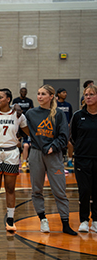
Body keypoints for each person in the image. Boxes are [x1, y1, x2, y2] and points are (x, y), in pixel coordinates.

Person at [25, 84, 77, 236]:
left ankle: (65, 223)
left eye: (43, 94)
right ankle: (42, 219)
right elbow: (22, 130)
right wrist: (16, 114)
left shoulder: (59, 114)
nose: (39, 96)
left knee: (59, 190)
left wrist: (53, 146)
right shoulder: (30, 113)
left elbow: (63, 135)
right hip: (35, 154)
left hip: (53, 155)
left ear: (51, 97)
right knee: (36, 189)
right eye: (38, 93)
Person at [0, 88, 29, 232]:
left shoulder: (18, 115)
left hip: (11, 153)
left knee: (10, 188)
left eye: (0, 97)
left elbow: (28, 132)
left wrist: (20, 139)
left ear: (9, 99)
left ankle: (10, 219)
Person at [70, 84, 97, 233]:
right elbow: (73, 136)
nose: (88, 97)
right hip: (82, 158)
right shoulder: (78, 115)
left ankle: (96, 221)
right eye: (86, 95)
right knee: (85, 190)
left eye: (91, 94)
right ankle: (84, 220)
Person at [12, 87, 34, 169]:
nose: (23, 93)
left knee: (25, 143)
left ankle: (26, 160)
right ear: (20, 92)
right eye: (22, 91)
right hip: (17, 122)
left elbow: (31, 110)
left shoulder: (29, 101)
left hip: (25, 122)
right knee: (17, 141)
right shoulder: (15, 100)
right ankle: (17, 159)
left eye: (25, 91)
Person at [56, 88, 73, 167]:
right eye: (63, 92)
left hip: (65, 128)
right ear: (58, 94)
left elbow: (70, 117)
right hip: (56, 128)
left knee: (69, 144)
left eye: (66, 93)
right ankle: (58, 160)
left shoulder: (68, 105)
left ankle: (70, 160)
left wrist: (69, 124)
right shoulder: (55, 104)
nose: (65, 94)